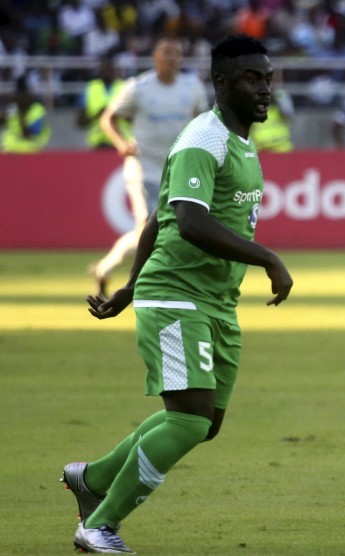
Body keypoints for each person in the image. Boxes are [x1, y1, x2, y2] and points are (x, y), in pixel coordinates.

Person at [61, 34, 294, 553]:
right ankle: (99, 524)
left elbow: (155, 219)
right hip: (178, 295)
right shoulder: (202, 139)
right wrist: (269, 259)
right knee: (188, 420)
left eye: (268, 77)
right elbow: (187, 222)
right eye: (252, 79)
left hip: (215, 301)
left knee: (203, 423)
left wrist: (127, 286)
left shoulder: (240, 141)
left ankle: (94, 478)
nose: (264, 88)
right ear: (220, 83)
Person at [90, 36, 209, 298]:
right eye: (166, 52)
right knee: (147, 228)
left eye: (176, 53)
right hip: (144, 168)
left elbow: (203, 123)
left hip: (177, 171)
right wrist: (121, 143)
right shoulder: (138, 87)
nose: (171, 58)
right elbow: (108, 119)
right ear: (155, 57)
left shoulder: (193, 88)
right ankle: (150, 288)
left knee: (157, 231)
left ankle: (104, 269)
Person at [76, 54, 128, 150]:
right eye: (103, 68)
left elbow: (136, 119)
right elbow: (80, 123)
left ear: (114, 70)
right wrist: (97, 115)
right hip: (97, 144)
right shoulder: (90, 89)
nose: (106, 71)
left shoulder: (125, 88)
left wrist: (117, 113)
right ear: (99, 70)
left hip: (122, 144)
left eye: (109, 68)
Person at [0, 75, 51, 153]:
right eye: (18, 93)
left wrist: (21, 113)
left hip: (30, 150)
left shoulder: (37, 109)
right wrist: (5, 112)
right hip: (10, 150)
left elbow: (31, 135)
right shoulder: (13, 107)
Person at [250, 69, 294, 152]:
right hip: (260, 150)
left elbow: (288, 113)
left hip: (281, 149)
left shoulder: (280, 97)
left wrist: (278, 94)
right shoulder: (253, 101)